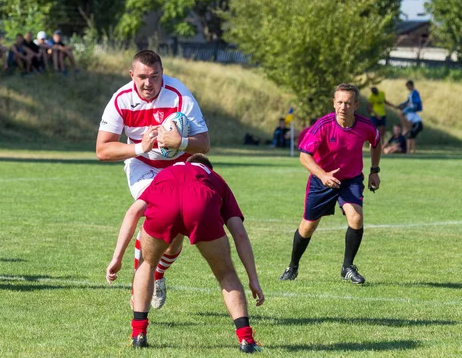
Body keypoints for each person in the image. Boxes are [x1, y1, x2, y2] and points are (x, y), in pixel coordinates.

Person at [106, 154, 264, 352]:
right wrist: (253, 279)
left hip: (165, 204)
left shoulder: (165, 174)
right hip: (201, 204)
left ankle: (138, 334)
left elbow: (133, 212)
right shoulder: (215, 179)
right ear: (208, 169)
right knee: (226, 274)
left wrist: (117, 257)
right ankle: (246, 340)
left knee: (147, 264)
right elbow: (239, 234)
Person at [97, 50, 210, 310]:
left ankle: (157, 275)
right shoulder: (121, 100)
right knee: (158, 213)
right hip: (142, 166)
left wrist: (180, 142)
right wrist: (140, 148)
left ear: (163, 74)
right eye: (142, 77)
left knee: (177, 231)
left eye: (155, 76)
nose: (149, 83)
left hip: (178, 166)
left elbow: (204, 143)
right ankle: (142, 279)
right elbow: (103, 150)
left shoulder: (180, 95)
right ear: (131, 75)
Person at [278, 83, 381, 285]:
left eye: (348, 103)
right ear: (334, 103)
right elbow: (304, 156)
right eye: (340, 102)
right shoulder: (323, 125)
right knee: (307, 227)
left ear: (356, 105)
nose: (343, 107)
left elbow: (376, 143)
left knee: (356, 217)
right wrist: (323, 175)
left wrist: (374, 171)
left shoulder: (366, 126)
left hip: (350, 180)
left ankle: (347, 268)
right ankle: (293, 266)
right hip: (321, 180)